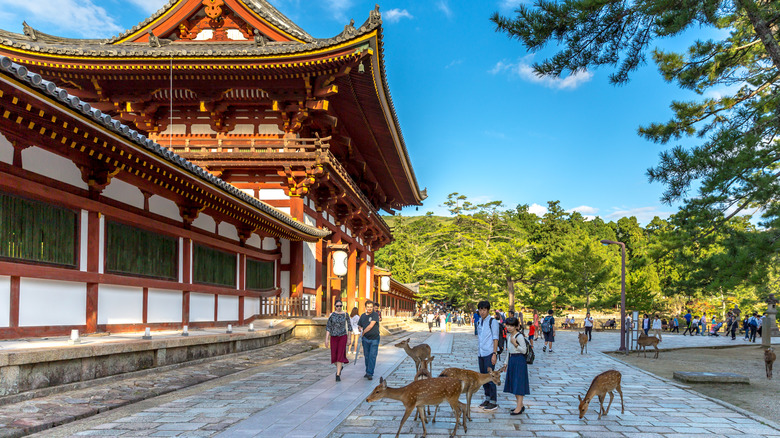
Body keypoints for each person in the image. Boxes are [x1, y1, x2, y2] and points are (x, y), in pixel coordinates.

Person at [502, 317, 530, 415]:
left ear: (516, 326)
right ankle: (520, 405)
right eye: (508, 325)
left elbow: (524, 350)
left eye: (511, 326)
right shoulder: (509, 336)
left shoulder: (519, 336)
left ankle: (518, 407)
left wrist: (515, 344)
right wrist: (506, 363)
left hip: (519, 360)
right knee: (514, 384)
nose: (509, 327)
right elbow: (509, 352)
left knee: (519, 384)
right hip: (512, 360)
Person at [476, 300, 500, 411]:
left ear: (488, 310)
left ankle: (493, 401)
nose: (482, 312)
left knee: (491, 377)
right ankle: (487, 398)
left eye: (484, 310)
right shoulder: (479, 321)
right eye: (480, 309)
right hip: (481, 353)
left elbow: (495, 338)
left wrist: (494, 354)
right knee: (483, 377)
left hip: (489, 352)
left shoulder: (492, 322)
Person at [325, 300, 352, 382]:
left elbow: (349, 327)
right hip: (333, 337)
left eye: (340, 306)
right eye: (337, 306)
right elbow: (328, 327)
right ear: (334, 306)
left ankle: (338, 374)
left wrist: (349, 338)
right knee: (334, 356)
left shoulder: (345, 314)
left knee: (340, 355)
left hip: (343, 336)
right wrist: (326, 339)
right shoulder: (332, 315)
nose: (339, 307)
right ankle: (339, 367)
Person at [358, 300, 380, 380]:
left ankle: (370, 373)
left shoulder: (375, 315)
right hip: (365, 339)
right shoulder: (363, 316)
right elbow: (359, 325)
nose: (369, 308)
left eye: (371, 307)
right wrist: (360, 329)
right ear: (366, 307)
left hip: (374, 338)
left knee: (372, 356)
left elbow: (371, 326)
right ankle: (367, 371)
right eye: (368, 307)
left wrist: (363, 332)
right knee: (366, 356)